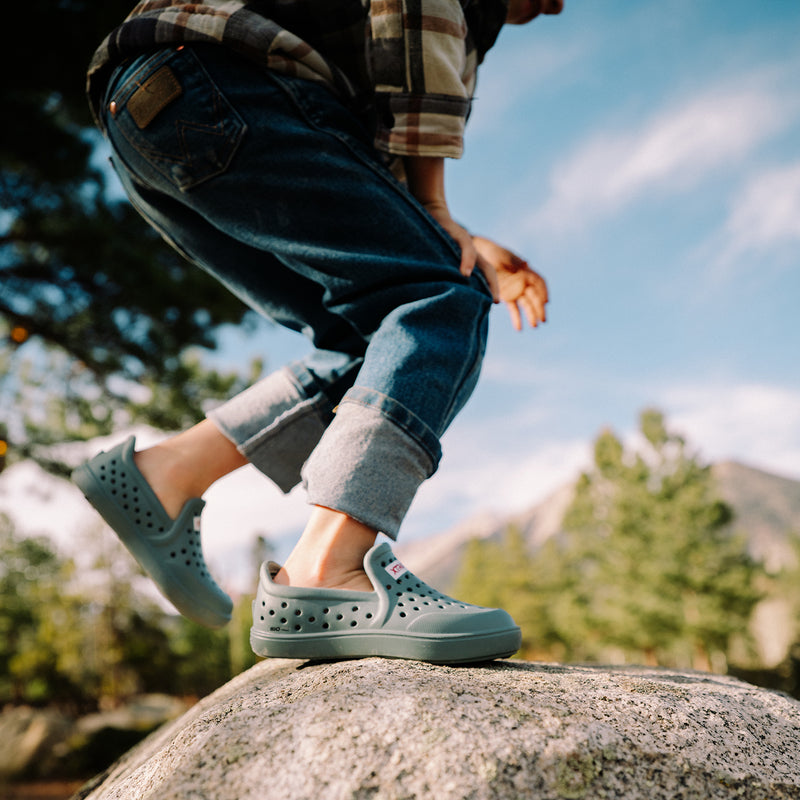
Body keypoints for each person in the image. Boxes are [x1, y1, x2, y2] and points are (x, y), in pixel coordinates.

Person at [74, 0, 561, 665]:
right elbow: (418, 12)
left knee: (367, 342)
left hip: (154, 113)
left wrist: (453, 234)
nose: (561, 6)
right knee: (443, 298)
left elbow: (347, 168)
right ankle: (326, 572)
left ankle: (164, 475)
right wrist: (436, 210)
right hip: (223, 83)